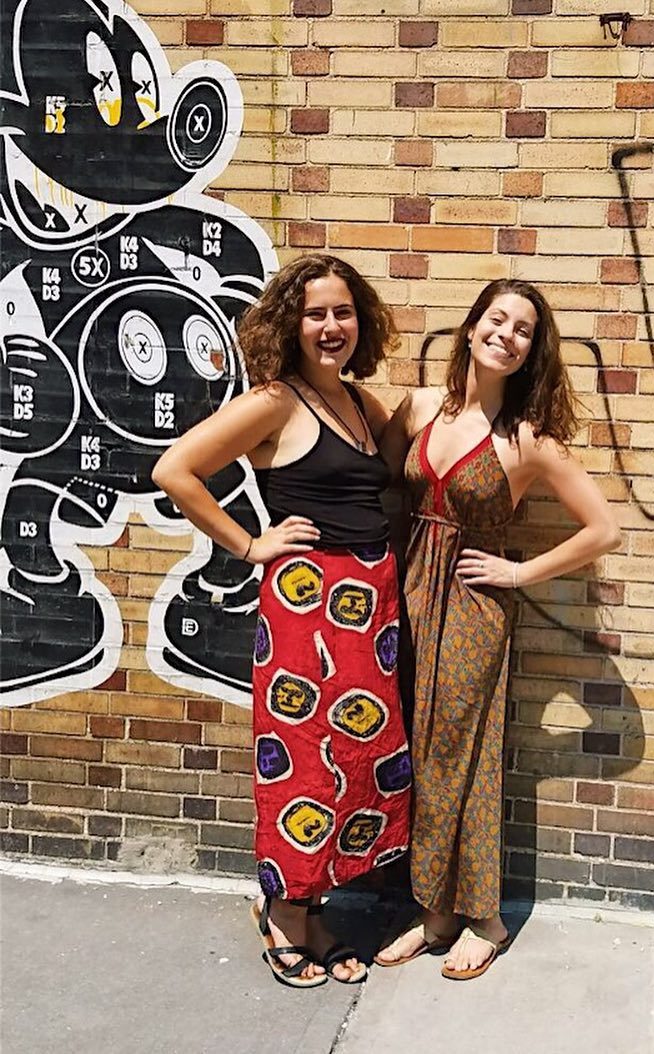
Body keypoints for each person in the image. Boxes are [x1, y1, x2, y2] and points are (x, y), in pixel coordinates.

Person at [152, 254, 411, 988]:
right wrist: (248, 544)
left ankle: (313, 905)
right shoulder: (274, 401)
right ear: (289, 325)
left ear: (361, 322)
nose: (330, 327)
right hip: (306, 603)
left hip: (370, 607)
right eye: (314, 313)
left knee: (353, 757)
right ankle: (285, 916)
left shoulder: (359, 405)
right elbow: (175, 470)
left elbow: (402, 464)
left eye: (343, 313)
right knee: (303, 757)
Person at [374, 278, 621, 981]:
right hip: (406, 593)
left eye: (523, 330)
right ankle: (434, 914)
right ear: (471, 325)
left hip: (471, 608)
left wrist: (518, 573)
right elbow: (377, 487)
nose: (506, 335)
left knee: (461, 757)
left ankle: (485, 918)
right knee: (414, 752)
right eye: (497, 319)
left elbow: (604, 529)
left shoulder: (527, 440)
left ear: (531, 351)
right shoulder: (420, 407)